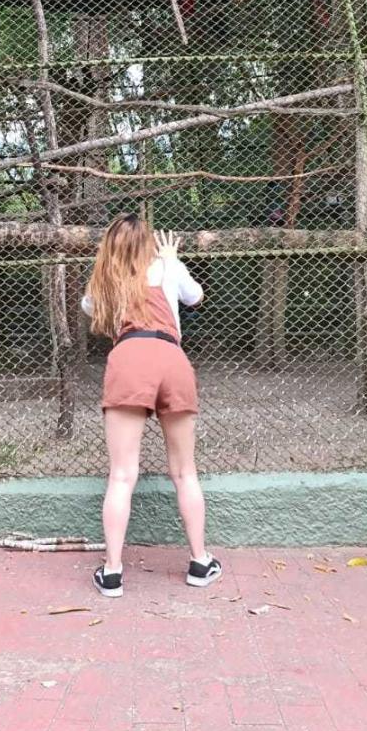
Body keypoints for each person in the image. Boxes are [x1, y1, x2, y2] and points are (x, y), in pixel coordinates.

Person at [81, 213, 222, 598]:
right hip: (171, 358)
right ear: (149, 243)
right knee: (185, 472)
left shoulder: (107, 280)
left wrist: (111, 269)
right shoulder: (167, 266)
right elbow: (195, 297)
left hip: (129, 360)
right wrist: (172, 259)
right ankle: (200, 562)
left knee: (121, 475)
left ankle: (112, 573)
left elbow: (89, 306)